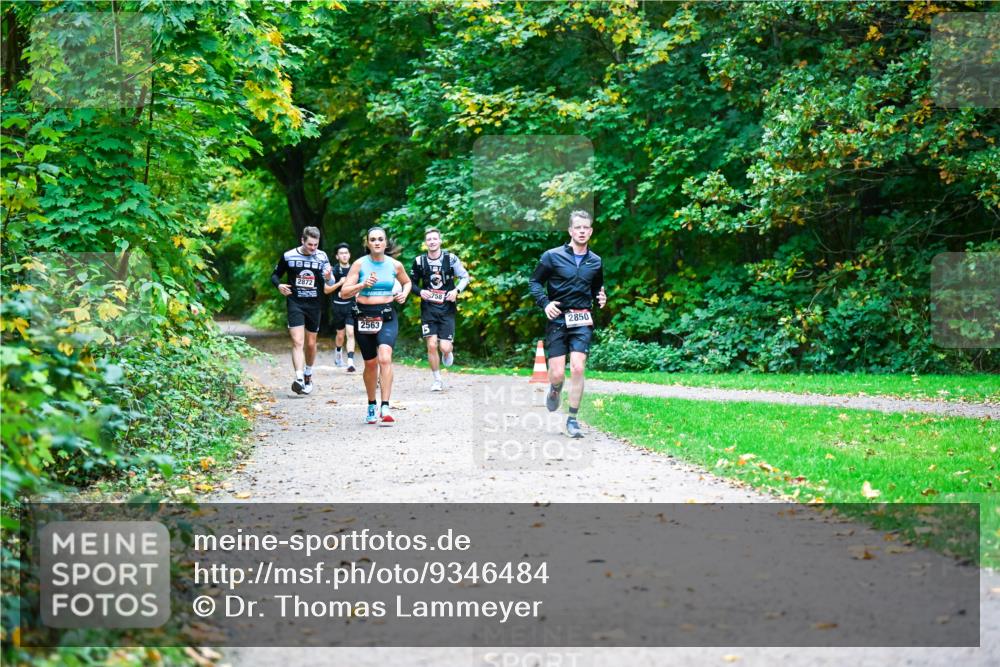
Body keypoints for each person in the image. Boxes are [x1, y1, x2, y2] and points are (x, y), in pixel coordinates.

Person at [528, 210, 607, 438]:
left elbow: (596, 289)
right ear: (571, 231)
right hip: (558, 318)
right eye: (578, 228)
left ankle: (572, 419)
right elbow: (534, 282)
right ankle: (554, 389)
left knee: (578, 367)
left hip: (582, 318)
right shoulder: (551, 256)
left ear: (590, 232)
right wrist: (544, 303)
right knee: (557, 374)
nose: (582, 231)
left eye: (586, 228)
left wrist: (601, 297)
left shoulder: (596, 261)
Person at [339, 226, 411, 426]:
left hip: (387, 315)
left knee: (385, 358)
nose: (377, 242)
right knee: (370, 364)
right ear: (367, 243)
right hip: (363, 317)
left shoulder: (395, 265)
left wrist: (404, 293)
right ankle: (371, 404)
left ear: (385, 242)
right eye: (373, 239)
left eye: (380, 239)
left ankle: (385, 405)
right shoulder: (359, 265)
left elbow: (407, 282)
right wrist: (363, 285)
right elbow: (344, 293)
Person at [271, 226, 336, 395]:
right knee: (297, 342)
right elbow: (275, 275)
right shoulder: (289, 256)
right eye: (310, 245)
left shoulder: (322, 257)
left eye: (316, 245)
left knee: (310, 343)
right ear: (302, 240)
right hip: (295, 302)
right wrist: (279, 285)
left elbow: (330, 283)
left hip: (314, 304)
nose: (313, 248)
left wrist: (328, 277)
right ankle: (299, 378)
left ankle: (308, 373)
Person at [410, 227, 471, 392]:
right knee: (431, 344)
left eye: (434, 239)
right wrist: (420, 291)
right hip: (428, 309)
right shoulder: (419, 262)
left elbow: (465, 277)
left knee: (444, 347)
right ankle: (437, 380)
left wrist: (456, 291)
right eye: (429, 239)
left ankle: (446, 352)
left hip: (447, 309)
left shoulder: (450, 259)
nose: (432, 242)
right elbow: (411, 283)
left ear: (440, 241)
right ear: (425, 243)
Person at [328, 242, 357, 372]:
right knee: (340, 335)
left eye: (346, 253)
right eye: (341, 253)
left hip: (351, 305)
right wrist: (339, 283)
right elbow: (326, 290)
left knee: (350, 332)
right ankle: (338, 352)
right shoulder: (333, 270)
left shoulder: (355, 269)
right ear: (337, 256)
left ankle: (350, 361)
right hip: (338, 306)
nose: (344, 256)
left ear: (349, 255)